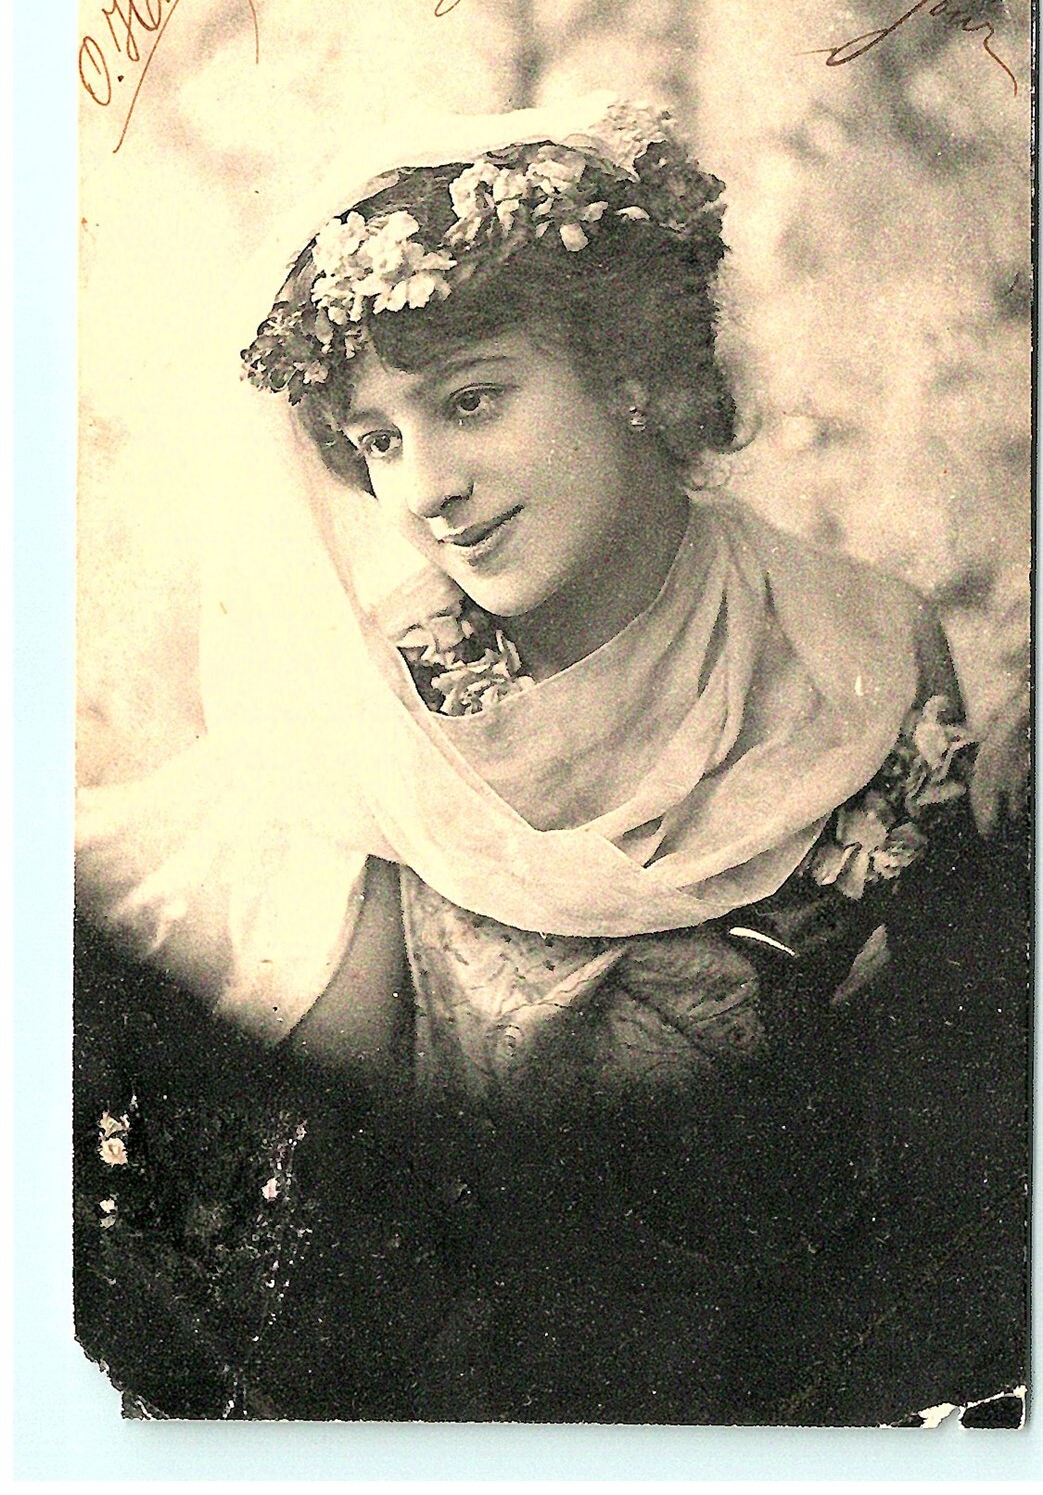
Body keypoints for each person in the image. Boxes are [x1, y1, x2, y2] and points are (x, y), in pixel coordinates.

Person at [75, 94, 1029, 1423]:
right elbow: (345, 1183)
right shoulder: (378, 712)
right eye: (380, 441)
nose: (427, 489)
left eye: (470, 402)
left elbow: (953, 1106)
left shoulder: (858, 650)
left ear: (629, 369)